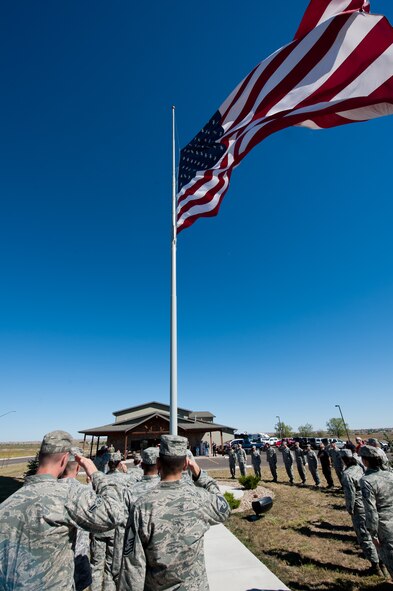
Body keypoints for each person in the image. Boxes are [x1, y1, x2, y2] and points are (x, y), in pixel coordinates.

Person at [0, 430, 124, 591]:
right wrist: (96, 474)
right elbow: (114, 512)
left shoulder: (7, 504)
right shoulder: (66, 496)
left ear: (40, 457)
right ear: (64, 459)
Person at [119, 435, 230, 590]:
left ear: (158, 464)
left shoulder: (142, 507)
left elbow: (132, 567)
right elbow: (223, 508)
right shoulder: (199, 498)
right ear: (185, 465)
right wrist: (199, 474)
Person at [112, 447, 160, 585]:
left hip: (134, 555)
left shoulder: (130, 492)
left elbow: (122, 529)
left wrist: (117, 566)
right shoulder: (167, 491)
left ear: (142, 465)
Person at [90, 451, 130, 591]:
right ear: (119, 463)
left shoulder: (101, 480)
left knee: (96, 564)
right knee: (111, 564)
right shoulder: (126, 480)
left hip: (100, 525)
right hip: (116, 527)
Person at [340, 449, 383, 575]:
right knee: (375, 534)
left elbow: (350, 495)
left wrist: (350, 509)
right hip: (370, 505)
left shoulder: (347, 474)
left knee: (364, 537)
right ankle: (382, 561)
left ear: (344, 459)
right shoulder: (360, 468)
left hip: (359, 508)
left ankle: (376, 566)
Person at [60, 448, 92, 591]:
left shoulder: (48, 491)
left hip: (55, 569)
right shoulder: (85, 493)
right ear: (78, 467)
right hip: (79, 560)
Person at [360, 445, 393, 578]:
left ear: (366, 461)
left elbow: (371, 511)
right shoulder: (391, 474)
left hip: (385, 526)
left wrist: (373, 534)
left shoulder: (367, 480)